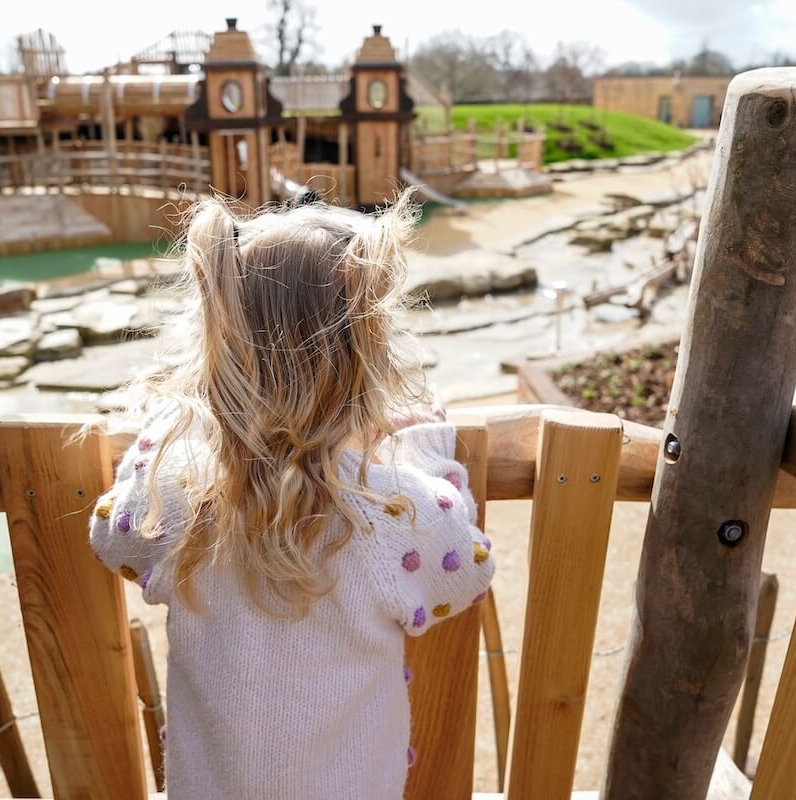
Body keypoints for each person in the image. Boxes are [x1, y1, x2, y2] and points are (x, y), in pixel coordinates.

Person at [88, 193, 494, 799]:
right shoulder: (390, 509)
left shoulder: (179, 493)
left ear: (217, 351)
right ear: (366, 362)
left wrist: (172, 424)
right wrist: (427, 449)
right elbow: (467, 571)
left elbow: (112, 538)